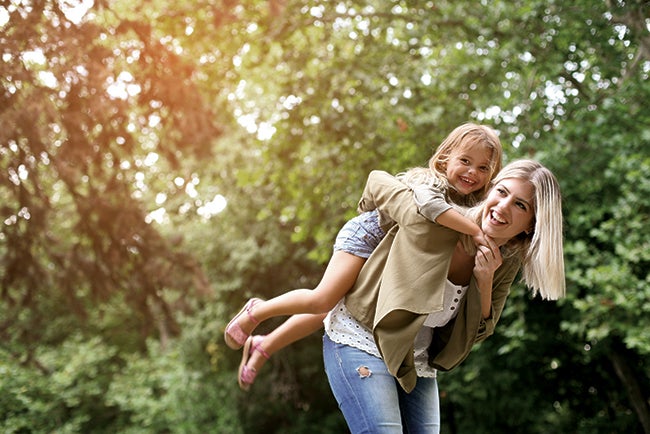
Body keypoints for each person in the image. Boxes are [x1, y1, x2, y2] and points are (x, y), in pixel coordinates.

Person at [223, 123, 503, 390]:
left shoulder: (476, 206)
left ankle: (264, 344)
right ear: (445, 159)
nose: (472, 172)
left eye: (482, 168)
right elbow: (430, 208)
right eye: (465, 161)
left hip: (392, 256)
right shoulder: (429, 182)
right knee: (324, 299)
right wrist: (475, 232)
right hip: (370, 237)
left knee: (330, 311)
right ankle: (256, 311)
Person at [323, 159, 565, 433]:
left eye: (520, 205)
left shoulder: (505, 261)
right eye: (501, 192)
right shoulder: (442, 218)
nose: (502, 207)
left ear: (531, 225)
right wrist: (364, 221)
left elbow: (480, 332)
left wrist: (484, 281)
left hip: (416, 361)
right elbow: (379, 182)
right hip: (363, 336)